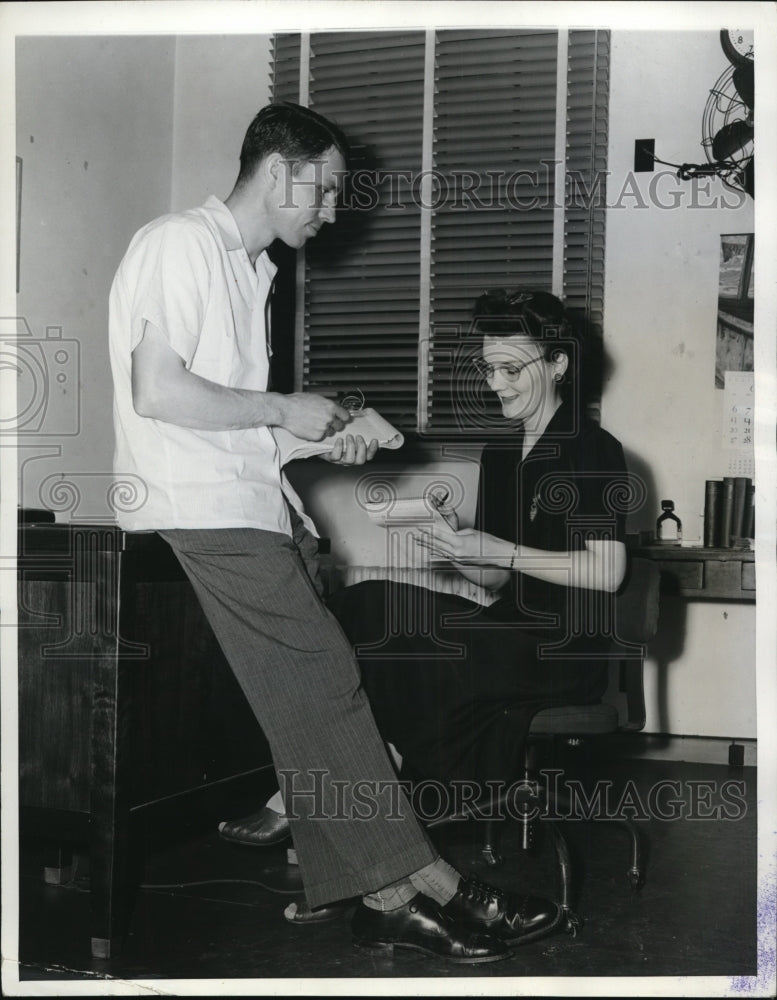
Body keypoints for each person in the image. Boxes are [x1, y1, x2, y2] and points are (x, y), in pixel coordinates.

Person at [109, 102, 559, 965]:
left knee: (309, 706)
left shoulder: (251, 272)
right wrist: (286, 407)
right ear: (279, 172)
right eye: (325, 188)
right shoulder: (181, 244)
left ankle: (384, 892)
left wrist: (322, 431)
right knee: (325, 686)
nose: (331, 209)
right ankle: (425, 887)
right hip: (201, 509)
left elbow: (233, 421)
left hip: (244, 502)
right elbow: (158, 393)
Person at [224, 287, 630, 836]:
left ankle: (355, 784)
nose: (496, 384)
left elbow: (608, 573)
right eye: (488, 369)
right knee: (365, 604)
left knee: (406, 646)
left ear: (558, 363)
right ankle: (351, 775)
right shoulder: (504, 454)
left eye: (512, 369)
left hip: (562, 649)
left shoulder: (592, 448)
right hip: (508, 628)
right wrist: (454, 543)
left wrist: (499, 550)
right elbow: (494, 577)